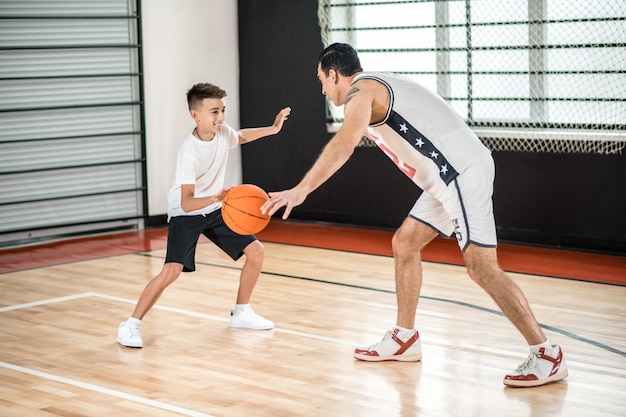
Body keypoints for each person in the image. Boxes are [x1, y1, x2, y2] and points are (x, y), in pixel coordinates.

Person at [260, 43, 567, 388]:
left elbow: (346, 142)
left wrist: (301, 189)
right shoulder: (377, 85)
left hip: (459, 173)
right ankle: (405, 338)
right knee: (405, 243)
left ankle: (546, 354)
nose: (322, 89)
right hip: (445, 177)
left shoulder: (361, 91)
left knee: (481, 266)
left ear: (334, 74)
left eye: (322, 80)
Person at [118, 82, 291, 348]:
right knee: (171, 272)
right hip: (186, 213)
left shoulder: (223, 133)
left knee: (256, 252)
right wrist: (214, 198)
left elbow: (241, 136)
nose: (221, 117)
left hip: (215, 208)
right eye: (214, 112)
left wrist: (273, 128)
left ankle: (242, 312)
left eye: (222, 110)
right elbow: (186, 203)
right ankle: (130, 325)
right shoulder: (189, 152)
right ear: (195, 115)